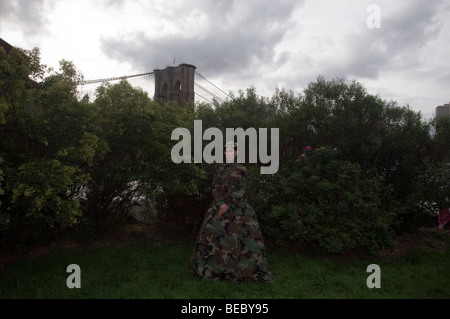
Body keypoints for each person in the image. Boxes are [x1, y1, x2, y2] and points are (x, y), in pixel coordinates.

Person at [189, 142, 275, 283]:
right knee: (212, 233)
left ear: (236, 152)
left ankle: (242, 270)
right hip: (218, 206)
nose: (229, 152)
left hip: (239, 208)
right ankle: (213, 267)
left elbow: (241, 189)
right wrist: (219, 204)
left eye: (232, 150)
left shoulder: (242, 169)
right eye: (227, 150)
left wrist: (228, 205)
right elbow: (214, 187)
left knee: (241, 237)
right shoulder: (219, 169)